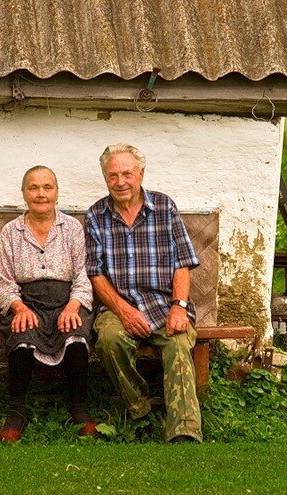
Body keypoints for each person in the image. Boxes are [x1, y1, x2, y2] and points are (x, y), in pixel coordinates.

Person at [85, 143, 202, 443]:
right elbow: (95, 273)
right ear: (105, 178)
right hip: (118, 305)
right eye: (113, 176)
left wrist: (179, 306)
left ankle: (184, 430)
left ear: (140, 173)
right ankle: (140, 410)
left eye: (127, 173)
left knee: (177, 343)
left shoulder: (164, 207)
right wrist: (123, 310)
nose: (120, 181)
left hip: (165, 303)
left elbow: (183, 263)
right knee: (109, 340)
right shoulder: (96, 215)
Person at [0, 165, 96, 443]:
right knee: (22, 335)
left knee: (75, 336)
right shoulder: (10, 232)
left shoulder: (72, 228)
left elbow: (83, 277)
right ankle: (16, 412)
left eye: (47, 187)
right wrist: (19, 307)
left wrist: (73, 306)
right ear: (24, 193)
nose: (41, 194)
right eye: (34, 187)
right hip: (27, 303)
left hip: (67, 302)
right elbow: (4, 283)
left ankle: (79, 408)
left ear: (57, 193)